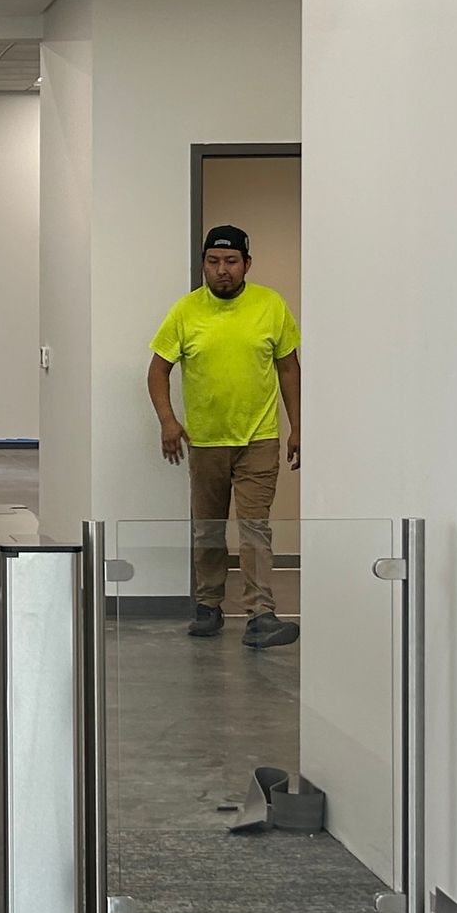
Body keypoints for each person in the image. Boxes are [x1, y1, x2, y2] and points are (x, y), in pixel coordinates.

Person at [147, 225, 302, 649]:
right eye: (213, 262)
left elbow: (289, 368)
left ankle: (261, 615)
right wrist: (168, 421)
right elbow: (158, 369)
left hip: (259, 438)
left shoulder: (271, 305)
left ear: (246, 264)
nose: (222, 270)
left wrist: (298, 426)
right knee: (209, 529)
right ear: (203, 266)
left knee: (255, 528)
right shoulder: (185, 311)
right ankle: (208, 607)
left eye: (231, 262)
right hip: (205, 442)